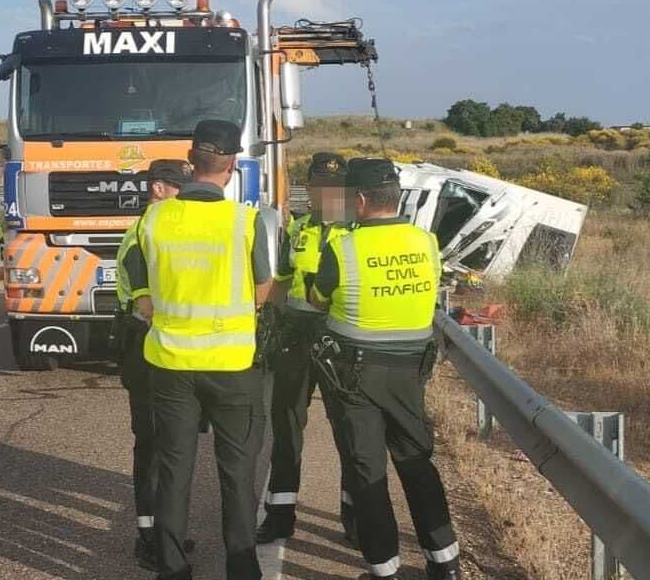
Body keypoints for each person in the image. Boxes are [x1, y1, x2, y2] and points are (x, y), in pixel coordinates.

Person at [125, 119, 272, 580]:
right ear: (230, 166)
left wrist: (163, 314)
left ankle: (172, 568)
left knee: (173, 468)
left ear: (192, 163)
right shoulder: (246, 220)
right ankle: (242, 568)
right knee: (237, 473)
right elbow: (263, 289)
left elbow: (138, 289)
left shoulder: (154, 218)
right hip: (232, 365)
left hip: (170, 364)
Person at [310, 158, 462, 580]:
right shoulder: (426, 241)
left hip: (355, 377)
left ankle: (384, 569)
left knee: (367, 470)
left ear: (358, 200)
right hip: (411, 372)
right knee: (417, 463)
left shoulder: (341, 247)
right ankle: (444, 563)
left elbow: (319, 299)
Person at [256, 152, 358, 546]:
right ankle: (280, 516)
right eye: (320, 186)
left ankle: (355, 516)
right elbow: (280, 282)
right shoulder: (298, 228)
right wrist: (267, 323)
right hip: (296, 338)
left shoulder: (358, 232)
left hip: (340, 338)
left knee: (349, 431)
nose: (328, 193)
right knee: (286, 427)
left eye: (336, 187)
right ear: (310, 189)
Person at [114, 159, 194, 570]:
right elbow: (147, 305)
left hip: (163, 344)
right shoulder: (144, 234)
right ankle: (149, 537)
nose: (186, 194)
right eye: (179, 187)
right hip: (146, 343)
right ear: (159, 189)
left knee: (170, 445)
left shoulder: (161, 231)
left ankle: (167, 530)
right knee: (151, 443)